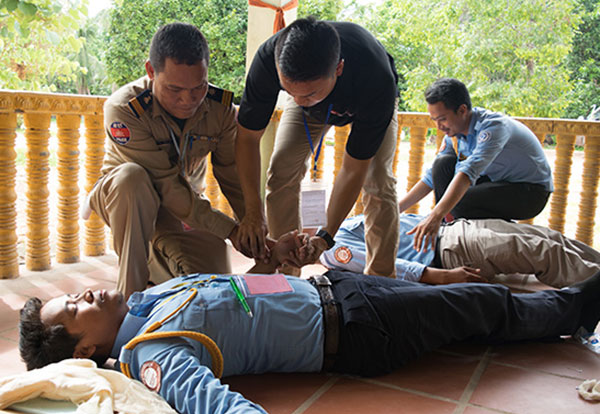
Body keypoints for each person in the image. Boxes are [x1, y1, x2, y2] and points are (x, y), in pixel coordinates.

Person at [19, 233, 600, 414]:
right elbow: (215, 408)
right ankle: (577, 308)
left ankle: (560, 311)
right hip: (357, 330)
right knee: (480, 305)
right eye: (73, 309)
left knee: (467, 309)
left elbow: (247, 290)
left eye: (75, 292)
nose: (87, 293)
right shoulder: (154, 348)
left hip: (340, 290)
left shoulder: (148, 301)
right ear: (82, 352)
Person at [85, 23, 246, 298]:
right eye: (174, 89)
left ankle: (157, 275)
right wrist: (231, 231)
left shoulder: (221, 110)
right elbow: (166, 186)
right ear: (151, 71)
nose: (188, 100)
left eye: (199, 86)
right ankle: (128, 302)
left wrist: (252, 226)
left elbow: (232, 174)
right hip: (127, 200)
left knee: (211, 283)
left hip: (184, 207)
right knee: (132, 179)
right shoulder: (124, 109)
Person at [234, 17, 400, 277]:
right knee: (281, 171)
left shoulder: (375, 77)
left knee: (378, 181)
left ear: (339, 69)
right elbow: (247, 139)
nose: (300, 101)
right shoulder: (268, 61)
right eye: (289, 91)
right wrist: (253, 212)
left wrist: (325, 238)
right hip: (318, 109)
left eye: (309, 94)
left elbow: (353, 169)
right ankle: (287, 272)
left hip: (368, 102)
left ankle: (381, 279)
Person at [399, 78, 553, 253]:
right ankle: (450, 228)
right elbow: (430, 178)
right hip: (495, 184)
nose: (438, 126)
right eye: (434, 120)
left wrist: (434, 215)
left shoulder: (493, 127)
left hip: (531, 193)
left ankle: (466, 233)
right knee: (442, 164)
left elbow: (467, 174)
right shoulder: (454, 134)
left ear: (462, 110)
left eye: (442, 119)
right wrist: (396, 210)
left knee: (459, 201)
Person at [320, 214, 600, 288]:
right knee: (542, 251)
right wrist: (445, 276)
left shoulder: (345, 221)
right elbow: (387, 268)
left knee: (549, 237)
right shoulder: (333, 249)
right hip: (450, 250)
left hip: (457, 229)